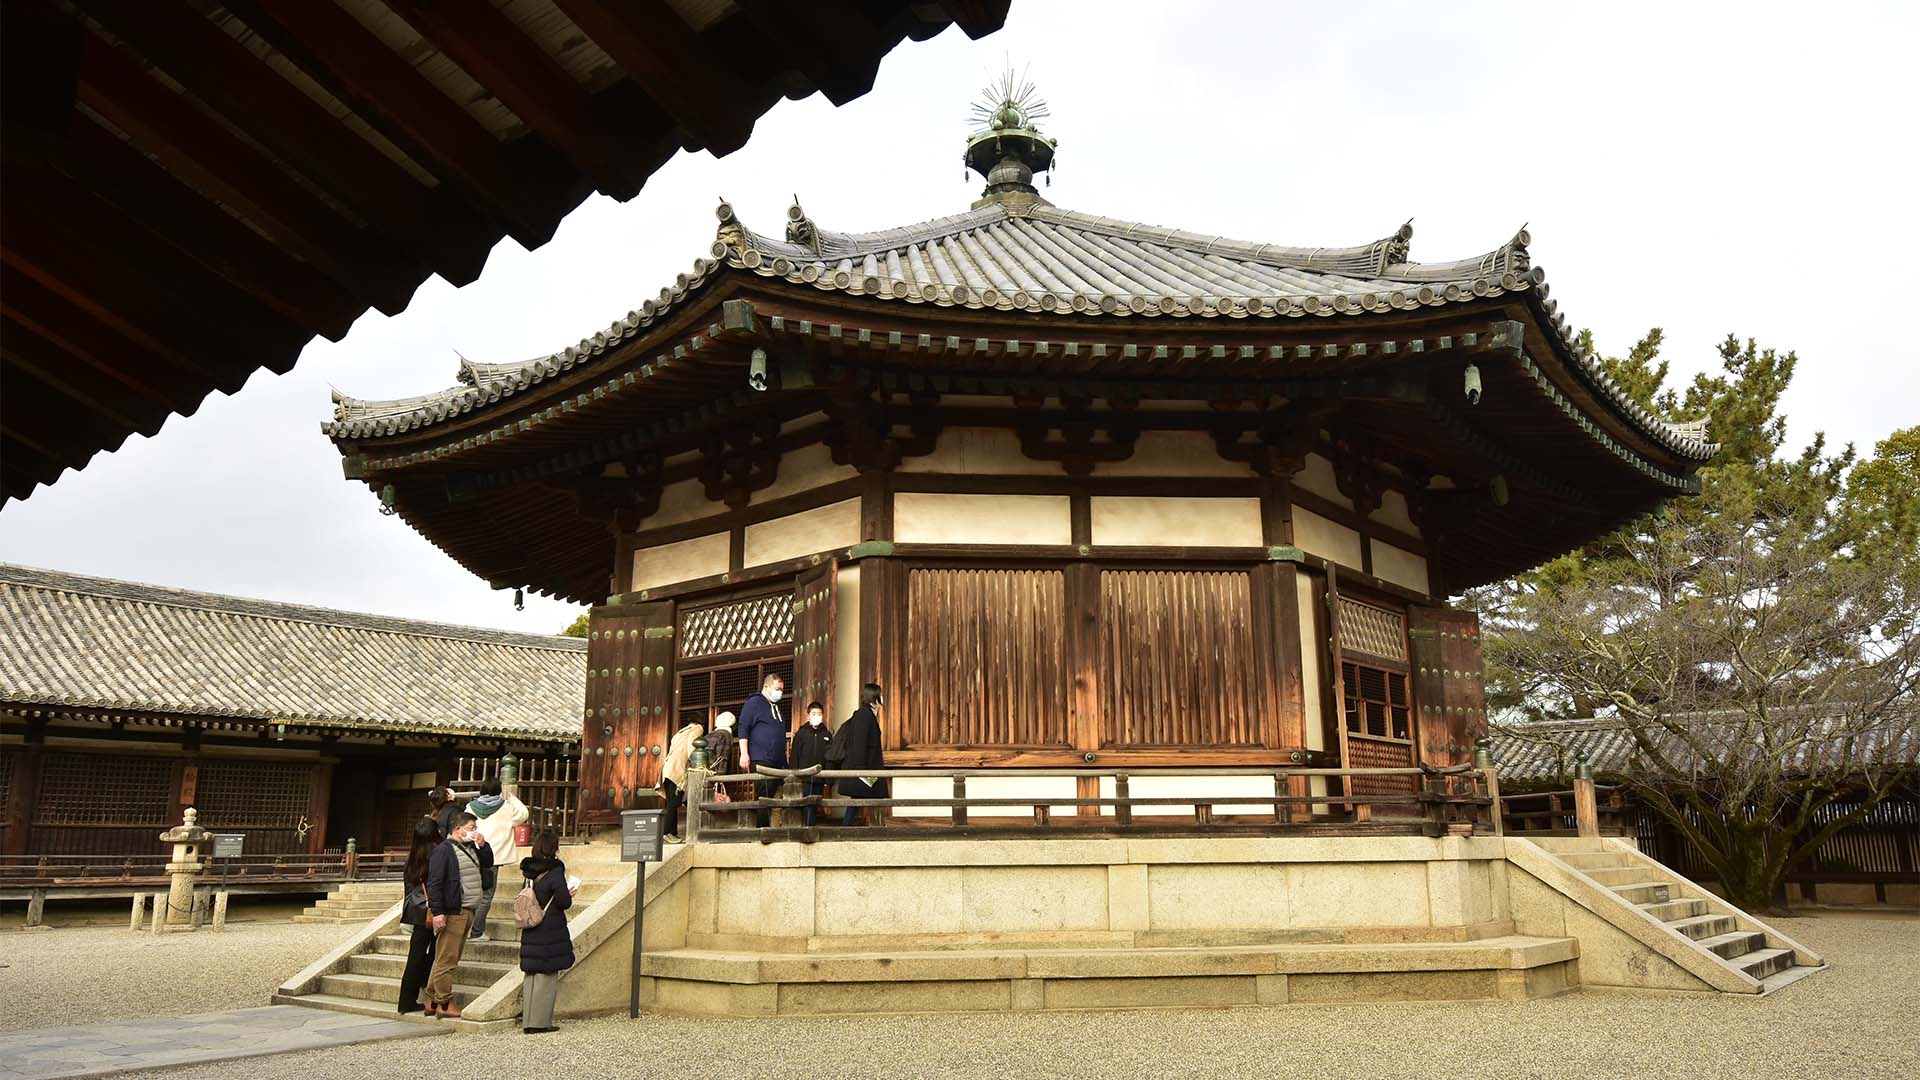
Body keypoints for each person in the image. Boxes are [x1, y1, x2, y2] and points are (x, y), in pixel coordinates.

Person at [424, 810, 492, 1018]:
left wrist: (482, 844)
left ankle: (432, 998)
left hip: (468, 907)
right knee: (447, 959)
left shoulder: (470, 847)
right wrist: (438, 912)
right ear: (458, 829)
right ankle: (444, 1002)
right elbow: (434, 883)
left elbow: (488, 862)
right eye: (471, 828)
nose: (474, 832)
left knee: (445, 957)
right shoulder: (444, 850)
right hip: (454, 909)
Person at [517, 828, 577, 1034]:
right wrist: (570, 893)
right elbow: (564, 901)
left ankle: (528, 1021)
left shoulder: (529, 871)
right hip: (548, 926)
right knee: (546, 975)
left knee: (531, 975)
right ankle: (540, 1022)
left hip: (530, 924)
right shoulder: (555, 871)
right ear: (554, 848)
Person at [465, 776, 526, 943]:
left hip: (472, 855)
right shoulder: (506, 807)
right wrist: (512, 797)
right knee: (486, 895)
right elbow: (523, 814)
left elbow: (464, 828)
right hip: (493, 857)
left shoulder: (471, 807)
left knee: (470, 893)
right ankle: (476, 932)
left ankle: (465, 929)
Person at [395, 817, 440, 1014]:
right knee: (436, 950)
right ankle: (424, 980)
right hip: (432, 909)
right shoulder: (436, 854)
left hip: (416, 908)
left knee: (415, 955)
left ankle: (406, 1000)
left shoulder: (412, 856)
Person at [736, 673, 788, 829]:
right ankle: (762, 830)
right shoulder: (754, 703)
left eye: (781, 690)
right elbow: (743, 727)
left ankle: (774, 829)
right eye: (777, 688)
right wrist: (744, 753)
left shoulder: (776, 708)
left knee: (777, 797)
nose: (780, 692)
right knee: (764, 796)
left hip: (778, 761)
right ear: (766, 686)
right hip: (761, 758)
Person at [832, 683, 887, 827]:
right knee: (860, 799)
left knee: (859, 800)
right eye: (880, 695)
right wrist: (862, 771)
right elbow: (859, 744)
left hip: (867, 768)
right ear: (874, 697)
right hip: (864, 768)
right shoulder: (863, 715)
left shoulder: (867, 715)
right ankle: (849, 829)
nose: (882, 698)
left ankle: (849, 829)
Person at [704, 712, 753, 828]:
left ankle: (706, 826)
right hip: (715, 772)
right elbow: (722, 757)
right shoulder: (725, 735)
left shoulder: (709, 735)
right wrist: (721, 776)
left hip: (704, 771)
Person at [789, 701, 833, 827]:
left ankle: (811, 826)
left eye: (819, 714)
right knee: (805, 803)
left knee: (816, 803)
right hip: (804, 777)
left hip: (820, 777)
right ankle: (807, 827)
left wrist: (828, 780)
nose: (816, 716)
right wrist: (794, 775)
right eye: (814, 714)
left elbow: (830, 758)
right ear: (808, 716)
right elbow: (795, 756)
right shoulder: (801, 734)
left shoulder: (827, 735)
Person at [660, 720, 704, 843]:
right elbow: (692, 746)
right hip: (677, 769)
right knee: (674, 802)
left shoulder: (679, 732)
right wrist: (698, 763)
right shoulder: (697, 728)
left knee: (671, 802)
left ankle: (673, 833)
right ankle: (666, 832)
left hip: (668, 768)